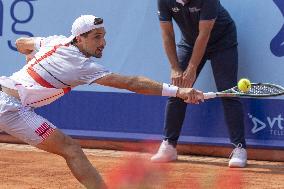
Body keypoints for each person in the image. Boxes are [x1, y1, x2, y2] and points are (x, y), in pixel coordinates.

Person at [0, 15, 204, 189]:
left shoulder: (55, 41)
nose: (103, 42)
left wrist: (32, 55)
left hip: (13, 104)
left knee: (71, 149)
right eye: (97, 37)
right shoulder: (80, 66)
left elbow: (20, 43)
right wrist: (179, 91)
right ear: (79, 39)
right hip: (10, 108)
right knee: (71, 150)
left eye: (104, 36)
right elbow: (131, 83)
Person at [151, 0, 247, 168]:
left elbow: (204, 33)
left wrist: (192, 67)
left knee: (228, 91)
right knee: (176, 90)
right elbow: (167, 34)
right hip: (189, 43)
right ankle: (169, 145)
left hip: (222, 42)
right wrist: (175, 68)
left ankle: (239, 148)